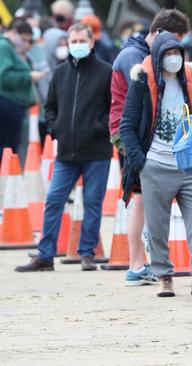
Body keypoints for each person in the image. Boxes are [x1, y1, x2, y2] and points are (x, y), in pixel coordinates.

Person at [119, 31, 192, 298]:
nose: (173, 59)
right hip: (155, 166)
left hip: (191, 167)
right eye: (168, 53)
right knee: (158, 228)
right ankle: (164, 276)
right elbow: (127, 125)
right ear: (158, 56)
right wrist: (140, 161)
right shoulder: (141, 82)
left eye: (177, 53)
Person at [14, 24, 112, 272]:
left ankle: (87, 254)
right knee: (54, 200)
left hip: (96, 152)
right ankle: (45, 255)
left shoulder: (105, 72)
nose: (76, 44)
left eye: (81, 39)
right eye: (73, 40)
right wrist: (57, 128)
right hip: (66, 153)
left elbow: (114, 109)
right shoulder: (59, 73)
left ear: (91, 43)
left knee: (92, 203)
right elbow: (50, 107)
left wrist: (98, 128)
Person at [109, 9, 190, 287]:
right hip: (135, 137)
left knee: (144, 200)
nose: (175, 52)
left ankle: (142, 263)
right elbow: (136, 111)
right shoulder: (136, 59)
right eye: (173, 41)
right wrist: (141, 158)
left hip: (140, 136)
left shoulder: (136, 52)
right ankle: (137, 263)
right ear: (157, 35)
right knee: (141, 199)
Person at [0, 19, 37, 153]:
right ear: (14, 32)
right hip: (7, 104)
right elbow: (4, 77)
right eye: (23, 39)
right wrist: (29, 76)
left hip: (11, 104)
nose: (25, 44)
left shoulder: (9, 47)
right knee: (7, 148)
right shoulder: (4, 46)